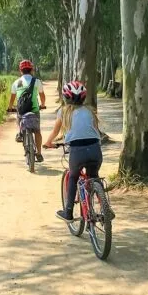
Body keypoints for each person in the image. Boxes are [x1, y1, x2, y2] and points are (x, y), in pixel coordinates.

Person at [44, 80, 102, 220]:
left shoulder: (63, 112)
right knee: (94, 176)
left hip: (77, 152)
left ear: (65, 97)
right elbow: (92, 130)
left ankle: (68, 212)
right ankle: (103, 205)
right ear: (83, 97)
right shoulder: (90, 111)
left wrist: (48, 143)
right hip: (95, 149)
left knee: (73, 176)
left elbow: (55, 132)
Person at [7, 60, 46, 162]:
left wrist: (10, 107)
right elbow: (42, 96)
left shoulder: (16, 83)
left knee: (19, 117)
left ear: (21, 71)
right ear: (32, 70)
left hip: (22, 110)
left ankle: (20, 132)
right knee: (37, 131)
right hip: (34, 110)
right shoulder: (36, 81)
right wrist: (42, 105)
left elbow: (12, 98)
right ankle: (39, 152)